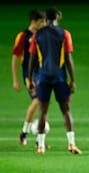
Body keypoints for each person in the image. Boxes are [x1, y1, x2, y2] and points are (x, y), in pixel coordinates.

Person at [28, 7, 81, 154]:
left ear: (46, 19)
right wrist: (73, 80)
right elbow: (69, 58)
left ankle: (41, 146)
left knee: (43, 111)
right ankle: (71, 144)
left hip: (43, 77)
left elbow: (32, 59)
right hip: (60, 77)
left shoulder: (37, 35)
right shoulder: (65, 34)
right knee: (66, 110)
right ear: (58, 17)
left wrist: (30, 78)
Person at [12, 9, 45, 145]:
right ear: (34, 21)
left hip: (43, 74)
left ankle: (39, 139)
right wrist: (15, 80)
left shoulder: (43, 35)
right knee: (38, 99)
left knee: (44, 104)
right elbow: (15, 58)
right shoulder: (23, 36)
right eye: (41, 21)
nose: (44, 24)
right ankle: (24, 133)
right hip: (30, 75)